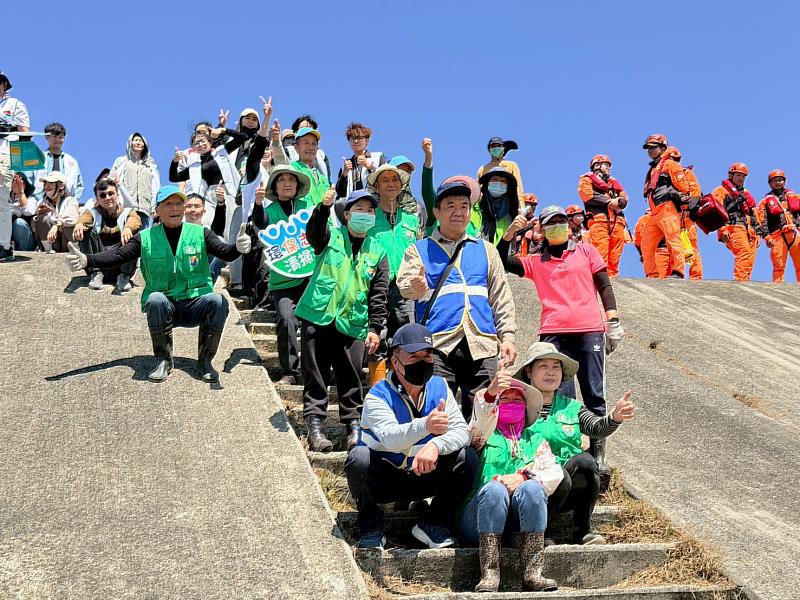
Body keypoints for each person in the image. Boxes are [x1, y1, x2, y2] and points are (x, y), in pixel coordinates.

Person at [65, 185, 253, 383]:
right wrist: (87, 260)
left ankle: (205, 361)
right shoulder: (145, 238)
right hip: (165, 306)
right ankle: (164, 359)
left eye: (179, 203)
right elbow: (118, 255)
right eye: (168, 204)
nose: (175, 208)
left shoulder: (201, 234)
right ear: (157, 210)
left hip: (195, 303)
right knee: (155, 299)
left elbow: (225, 252)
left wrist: (238, 248)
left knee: (219, 301)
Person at [498, 206, 624, 476]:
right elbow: (503, 259)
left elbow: (604, 284)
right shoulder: (536, 261)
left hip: (589, 328)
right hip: (554, 332)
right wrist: (511, 232)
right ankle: (564, 449)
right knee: (558, 395)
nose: (557, 226)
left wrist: (612, 321)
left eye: (561, 222)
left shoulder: (586, 251)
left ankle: (597, 454)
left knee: (594, 392)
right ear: (542, 230)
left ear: (568, 225)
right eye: (551, 223)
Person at [345, 323, 478, 550]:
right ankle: (370, 527)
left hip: (424, 475)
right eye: (413, 356)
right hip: (385, 479)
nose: (422, 361)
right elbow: (390, 438)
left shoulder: (440, 386)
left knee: (468, 457)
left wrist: (436, 445)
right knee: (358, 457)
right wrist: (426, 426)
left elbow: (461, 432)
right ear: (395, 362)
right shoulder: (377, 396)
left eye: (427, 355)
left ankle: (434, 523)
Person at [396, 180, 517, 421]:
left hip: (481, 344)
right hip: (439, 345)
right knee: (438, 414)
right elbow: (405, 286)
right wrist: (415, 286)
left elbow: (501, 296)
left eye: (464, 205)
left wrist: (508, 336)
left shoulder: (486, 250)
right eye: (450, 205)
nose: (459, 211)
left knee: (484, 414)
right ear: (436, 212)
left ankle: (479, 459)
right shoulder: (419, 249)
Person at [295, 188, 389, 452]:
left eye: (370, 211)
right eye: (360, 210)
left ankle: (353, 427)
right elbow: (313, 232)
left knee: (351, 377)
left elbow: (379, 294)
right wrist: (323, 209)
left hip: (354, 322)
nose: (366, 215)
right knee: (316, 375)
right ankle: (315, 428)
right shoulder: (330, 237)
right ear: (347, 214)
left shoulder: (378, 252)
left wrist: (375, 328)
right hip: (319, 315)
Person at [513, 343, 635, 545]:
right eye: (543, 366)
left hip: (566, 486)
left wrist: (615, 416)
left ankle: (582, 531)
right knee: (558, 477)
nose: (550, 372)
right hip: (531, 486)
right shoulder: (517, 406)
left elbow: (597, 428)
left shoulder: (572, 407)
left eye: (556, 367)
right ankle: (539, 532)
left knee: (586, 462)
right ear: (528, 371)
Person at [457, 364, 556, 593]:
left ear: (525, 407)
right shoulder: (483, 435)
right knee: (495, 490)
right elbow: (480, 418)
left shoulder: (535, 439)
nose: (512, 402)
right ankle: (490, 573)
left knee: (532, 488)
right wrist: (491, 393)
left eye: (517, 400)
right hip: (478, 519)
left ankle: (533, 573)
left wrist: (522, 476)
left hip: (515, 522)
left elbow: (553, 472)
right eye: (505, 399)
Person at [250, 164, 313, 385]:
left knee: (312, 326)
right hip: (282, 282)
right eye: (282, 180)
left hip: (310, 279)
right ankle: (289, 371)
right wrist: (258, 204)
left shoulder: (309, 207)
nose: (287, 183)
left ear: (298, 186)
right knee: (286, 320)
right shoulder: (270, 211)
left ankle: (312, 372)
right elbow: (260, 223)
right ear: (275, 187)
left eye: (292, 180)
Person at [363, 163, 420, 384]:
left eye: (395, 180)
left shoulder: (411, 218)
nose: (391, 184)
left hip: (404, 286)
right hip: (375, 282)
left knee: (403, 336)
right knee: (377, 335)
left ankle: (400, 385)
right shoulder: (369, 215)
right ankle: (376, 388)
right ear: (376, 185)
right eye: (385, 180)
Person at [73, 177, 141, 292]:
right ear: (97, 199)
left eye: (111, 193)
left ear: (117, 195)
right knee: (86, 231)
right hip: (99, 262)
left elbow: (135, 220)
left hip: (121, 263)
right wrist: (80, 224)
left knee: (135, 236)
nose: (108, 198)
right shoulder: (92, 212)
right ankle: (95, 274)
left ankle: (124, 276)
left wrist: (128, 228)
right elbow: (85, 218)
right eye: (103, 195)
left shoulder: (127, 212)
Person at [641, 134, 690, 279]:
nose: (650, 150)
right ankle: (652, 275)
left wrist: (672, 193)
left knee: (673, 239)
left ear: (663, 148)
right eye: (648, 148)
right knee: (646, 243)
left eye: (653, 147)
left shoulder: (671, 164)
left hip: (668, 207)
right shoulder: (654, 168)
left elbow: (684, 187)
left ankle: (679, 272)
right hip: (655, 211)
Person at [578, 155, 628, 277]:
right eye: (607, 165)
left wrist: (619, 201)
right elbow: (587, 195)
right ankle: (601, 282)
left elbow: (624, 198)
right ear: (598, 166)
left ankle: (613, 283)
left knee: (615, 257)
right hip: (599, 221)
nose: (609, 168)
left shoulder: (613, 183)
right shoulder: (586, 180)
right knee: (600, 254)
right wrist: (609, 201)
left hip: (617, 222)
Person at [0, 70, 31, 261]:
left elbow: (25, 134)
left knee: (2, 201)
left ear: (4, 85)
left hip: (4, 154)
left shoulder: (14, 104)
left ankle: (3, 245)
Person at [711, 163, 758, 282]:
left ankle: (745, 281)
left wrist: (757, 232)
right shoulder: (721, 191)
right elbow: (716, 211)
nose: (741, 178)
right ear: (731, 175)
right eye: (738, 175)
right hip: (732, 227)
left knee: (749, 258)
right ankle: (741, 282)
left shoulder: (745, 194)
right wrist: (722, 229)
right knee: (743, 252)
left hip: (748, 230)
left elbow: (753, 214)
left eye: (743, 176)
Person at [756, 170, 800, 283]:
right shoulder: (765, 202)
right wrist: (767, 237)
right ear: (770, 183)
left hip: (796, 233)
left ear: (784, 181)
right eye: (775, 181)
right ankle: (779, 288)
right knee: (778, 265)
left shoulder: (795, 197)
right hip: (777, 236)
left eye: (780, 180)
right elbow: (762, 221)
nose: (778, 182)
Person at [110, 132, 160, 228]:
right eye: (135, 140)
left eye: (140, 141)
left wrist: (155, 206)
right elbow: (112, 180)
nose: (138, 143)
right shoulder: (121, 161)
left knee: (144, 238)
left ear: (144, 145)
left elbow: (156, 187)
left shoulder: (151, 165)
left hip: (145, 209)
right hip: (126, 207)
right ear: (130, 143)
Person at [31, 122, 84, 202]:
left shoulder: (72, 161)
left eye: (61, 137)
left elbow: (79, 186)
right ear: (46, 137)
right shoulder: (38, 158)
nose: (58, 140)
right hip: (40, 202)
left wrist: (73, 200)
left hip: (65, 203)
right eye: (55, 136)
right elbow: (30, 180)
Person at [335, 122, 386, 200]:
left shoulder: (378, 157)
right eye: (352, 138)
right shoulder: (346, 165)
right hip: (354, 207)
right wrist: (344, 174)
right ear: (349, 142)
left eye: (359, 138)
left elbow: (385, 180)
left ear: (367, 140)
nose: (356, 141)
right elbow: (341, 193)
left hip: (375, 205)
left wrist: (370, 167)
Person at [33, 171, 79, 252]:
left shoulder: (71, 200)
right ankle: (47, 249)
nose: (47, 186)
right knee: (42, 219)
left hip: (67, 242)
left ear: (61, 186)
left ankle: (74, 250)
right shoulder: (42, 203)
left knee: (69, 224)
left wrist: (56, 226)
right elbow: (34, 229)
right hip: (53, 243)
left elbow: (71, 218)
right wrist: (38, 215)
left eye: (51, 183)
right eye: (45, 183)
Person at [475, 167, 519, 245]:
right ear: (487, 183)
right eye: (494, 179)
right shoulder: (473, 206)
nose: (499, 183)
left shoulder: (510, 215)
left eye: (503, 181)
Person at [476, 137, 525, 205]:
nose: (496, 148)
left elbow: (518, 186)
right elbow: (478, 190)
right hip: (488, 205)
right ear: (489, 149)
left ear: (503, 148)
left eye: (499, 146)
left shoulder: (512, 165)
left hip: (508, 203)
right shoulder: (482, 169)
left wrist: (521, 205)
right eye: (493, 146)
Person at [634, 209, 670, 277]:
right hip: (672, 253)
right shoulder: (668, 216)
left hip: (656, 253)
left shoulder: (644, 219)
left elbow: (638, 238)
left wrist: (642, 253)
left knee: (657, 280)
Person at [9, 172, 37, 250]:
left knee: (19, 223)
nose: (16, 184)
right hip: (8, 239)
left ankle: (22, 251)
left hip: (27, 240)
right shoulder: (4, 199)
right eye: (14, 181)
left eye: (20, 182)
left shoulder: (31, 199)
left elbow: (29, 212)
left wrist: (20, 192)